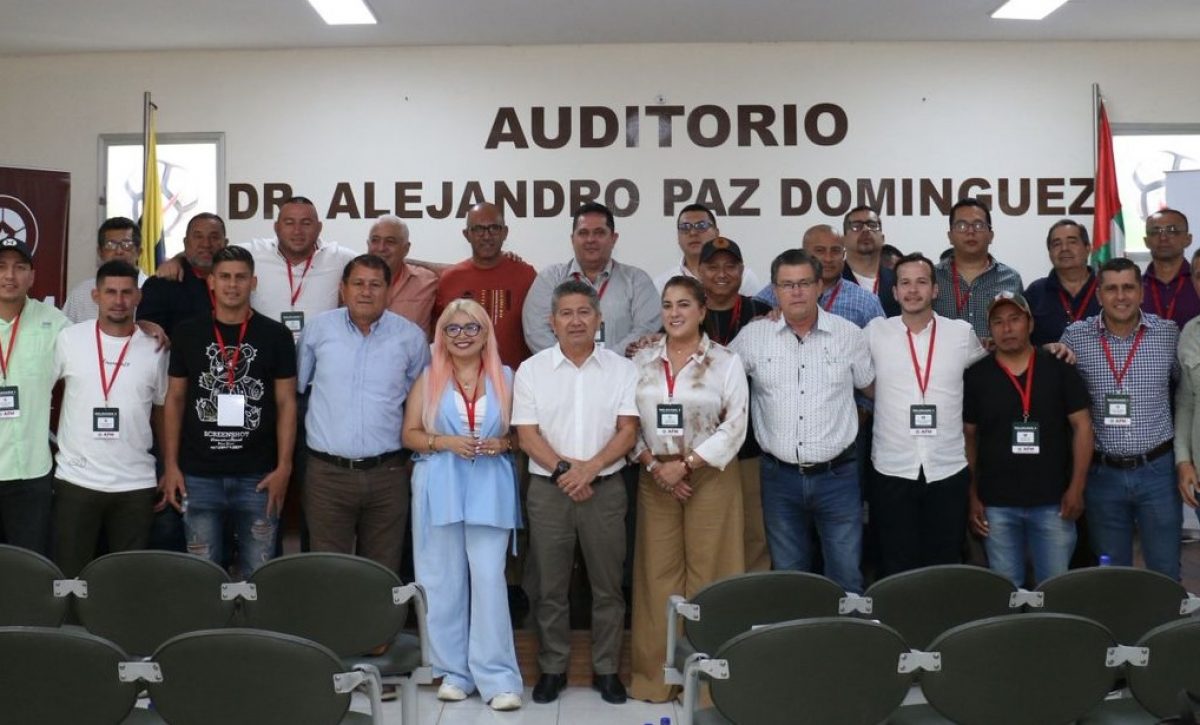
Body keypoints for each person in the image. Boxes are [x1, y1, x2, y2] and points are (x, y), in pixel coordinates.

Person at [513, 280, 639, 705]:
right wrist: (569, 471)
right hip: (550, 492)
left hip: (605, 490)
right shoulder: (532, 371)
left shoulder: (622, 369)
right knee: (550, 587)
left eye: (584, 312)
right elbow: (527, 436)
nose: (575, 321)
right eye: (566, 313)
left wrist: (590, 470)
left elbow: (628, 431)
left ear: (599, 319)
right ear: (552, 322)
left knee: (608, 587)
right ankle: (552, 667)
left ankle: (606, 669)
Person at [628, 276, 748, 702]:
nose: (674, 313)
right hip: (654, 475)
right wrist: (655, 465)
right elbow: (626, 421)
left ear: (701, 311)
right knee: (655, 577)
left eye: (684, 304)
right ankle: (656, 677)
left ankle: (707, 686)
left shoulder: (726, 361)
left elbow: (736, 424)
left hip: (710, 474)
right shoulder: (641, 360)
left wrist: (688, 465)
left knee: (710, 575)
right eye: (667, 305)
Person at [401, 299, 523, 711]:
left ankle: (499, 678)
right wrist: (445, 442)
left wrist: (503, 443)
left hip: (490, 483)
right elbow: (410, 435)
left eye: (471, 327)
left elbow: (520, 437)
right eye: (453, 329)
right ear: (441, 337)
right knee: (441, 579)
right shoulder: (428, 377)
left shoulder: (506, 377)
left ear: (486, 332)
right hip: (440, 483)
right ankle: (454, 672)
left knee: (489, 579)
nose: (462, 335)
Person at [730, 249, 874, 593]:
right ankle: (798, 645)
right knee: (790, 578)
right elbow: (713, 374)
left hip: (838, 477)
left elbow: (872, 389)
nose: (796, 292)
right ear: (775, 291)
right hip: (779, 479)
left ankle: (850, 643)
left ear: (820, 286)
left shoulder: (849, 335)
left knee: (846, 576)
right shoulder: (753, 337)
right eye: (787, 285)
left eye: (804, 283)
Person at [159, 246, 297, 575]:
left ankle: (252, 628)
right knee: (203, 575)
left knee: (258, 574)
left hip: (259, 476)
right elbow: (175, 399)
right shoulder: (188, 333)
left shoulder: (276, 335)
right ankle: (208, 627)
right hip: (199, 475)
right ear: (211, 282)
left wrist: (284, 468)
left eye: (240, 277)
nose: (232, 285)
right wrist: (171, 465)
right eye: (224, 277)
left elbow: (286, 402)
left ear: (254, 282)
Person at [297, 254, 428, 572]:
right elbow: (299, 388)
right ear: (343, 289)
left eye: (375, 284)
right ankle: (329, 625)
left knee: (382, 571)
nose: (365, 292)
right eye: (357, 283)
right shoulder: (318, 330)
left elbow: (421, 403)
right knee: (327, 571)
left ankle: (380, 625)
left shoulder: (410, 338)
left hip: (388, 476)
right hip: (327, 475)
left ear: (389, 290)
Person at [864, 253, 986, 576]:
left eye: (921, 282)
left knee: (944, 563)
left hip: (946, 467)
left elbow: (985, 377)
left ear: (935, 290)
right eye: (905, 283)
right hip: (892, 467)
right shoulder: (875, 333)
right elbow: (862, 380)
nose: (913, 290)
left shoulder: (961, 334)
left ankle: (941, 624)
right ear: (895, 292)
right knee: (895, 563)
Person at [1060, 257, 1181, 579]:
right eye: (1111, 289)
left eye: (1128, 287)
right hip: (1103, 476)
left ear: (1141, 292)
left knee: (1166, 569)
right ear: (1099, 295)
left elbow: (1186, 394)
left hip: (1158, 471)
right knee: (1111, 572)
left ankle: (1167, 628)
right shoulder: (1075, 337)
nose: (1121, 296)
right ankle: (1119, 630)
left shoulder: (1168, 335)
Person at [965, 292, 1093, 587]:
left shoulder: (1059, 367)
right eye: (998, 322)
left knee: (1055, 589)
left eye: (1014, 319)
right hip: (996, 506)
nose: (1007, 328)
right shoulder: (976, 376)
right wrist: (972, 497)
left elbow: (1083, 427)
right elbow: (968, 437)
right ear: (990, 330)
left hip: (1054, 503)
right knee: (1007, 592)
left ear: (1030, 324)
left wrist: (1076, 489)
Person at [51, 260, 168, 576]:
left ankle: (119, 627)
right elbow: (39, 392)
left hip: (135, 484)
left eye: (127, 292)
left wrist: (168, 468)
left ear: (138, 297)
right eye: (111, 292)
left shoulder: (156, 347)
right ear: (95, 296)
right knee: (69, 577)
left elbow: (162, 411)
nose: (119, 301)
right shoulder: (68, 340)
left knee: (126, 579)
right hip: (77, 480)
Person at [696, 237, 772, 572]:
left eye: (730, 266)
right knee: (710, 532)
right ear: (700, 271)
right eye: (713, 266)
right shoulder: (686, 314)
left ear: (742, 271)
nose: (721, 274)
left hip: (751, 447)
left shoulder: (763, 313)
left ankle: (754, 609)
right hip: (701, 450)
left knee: (755, 533)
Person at [0, 238, 69, 554]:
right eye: (1, 267)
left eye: (19, 267)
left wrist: (144, 327)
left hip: (31, 472)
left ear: (32, 276)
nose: (9, 276)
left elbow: (98, 345)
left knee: (29, 568)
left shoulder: (53, 323)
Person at [522, 202, 659, 357]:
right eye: (583, 233)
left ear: (613, 239)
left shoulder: (637, 281)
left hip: (624, 377)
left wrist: (606, 364)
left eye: (599, 233)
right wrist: (572, 363)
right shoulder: (549, 279)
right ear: (572, 239)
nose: (590, 239)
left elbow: (646, 330)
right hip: (561, 378)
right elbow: (536, 331)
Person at [436, 202, 538, 368]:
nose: (486, 235)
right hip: (462, 383)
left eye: (494, 228)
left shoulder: (525, 275)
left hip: (517, 382)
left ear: (505, 233)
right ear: (466, 234)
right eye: (478, 229)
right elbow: (440, 335)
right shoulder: (450, 279)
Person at [755, 225, 885, 329]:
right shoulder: (779, 290)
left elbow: (881, 348)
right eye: (820, 251)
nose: (828, 258)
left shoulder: (866, 302)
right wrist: (766, 317)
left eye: (835, 251)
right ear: (804, 253)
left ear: (844, 255)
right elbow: (752, 322)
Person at [932, 197, 1024, 341]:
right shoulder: (933, 277)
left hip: (994, 362)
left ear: (991, 235)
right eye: (962, 226)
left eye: (978, 225)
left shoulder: (1011, 279)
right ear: (950, 236)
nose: (970, 231)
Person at [138, 212, 228, 338]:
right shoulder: (160, 285)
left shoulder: (235, 282)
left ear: (226, 243)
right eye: (198, 237)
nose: (206, 244)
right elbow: (147, 333)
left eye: (214, 237)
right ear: (185, 243)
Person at [652, 203, 761, 295]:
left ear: (716, 233)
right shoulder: (662, 284)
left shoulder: (743, 277)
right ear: (678, 237)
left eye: (701, 226)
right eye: (685, 227)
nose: (693, 233)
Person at [1024, 219, 1100, 347]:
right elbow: (1022, 343)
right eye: (1057, 244)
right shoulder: (1035, 292)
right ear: (1049, 253)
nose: (1064, 248)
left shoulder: (1106, 289)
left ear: (1088, 248)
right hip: (1048, 365)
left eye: (1072, 242)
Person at [62, 217, 147, 323]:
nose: (119, 251)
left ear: (139, 252)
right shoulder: (80, 294)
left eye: (126, 245)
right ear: (100, 252)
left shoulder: (153, 291)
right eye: (111, 245)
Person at [366, 215, 439, 338]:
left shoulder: (427, 282)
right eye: (375, 240)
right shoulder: (352, 283)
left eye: (390, 241)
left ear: (406, 248)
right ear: (368, 244)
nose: (381, 248)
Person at [1141, 208, 1199, 329]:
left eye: (1172, 230)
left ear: (1188, 239)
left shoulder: (1197, 282)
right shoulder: (1135, 287)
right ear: (1146, 241)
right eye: (1155, 231)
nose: (1163, 238)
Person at [843, 205, 900, 316]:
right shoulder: (832, 281)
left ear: (882, 238)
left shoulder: (897, 280)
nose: (866, 230)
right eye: (856, 226)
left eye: (872, 225)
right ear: (843, 240)